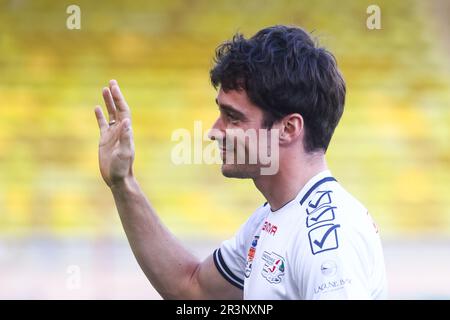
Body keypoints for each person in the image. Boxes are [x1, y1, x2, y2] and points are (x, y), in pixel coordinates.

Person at [93, 25, 387, 299]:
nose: (214, 131)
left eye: (232, 117)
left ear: (288, 129)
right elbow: (193, 288)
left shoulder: (328, 241)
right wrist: (123, 183)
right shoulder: (271, 218)